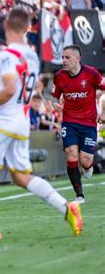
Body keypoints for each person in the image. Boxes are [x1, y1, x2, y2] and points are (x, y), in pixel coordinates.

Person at [0, 8, 82, 240]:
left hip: (3, 120)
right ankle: (68, 208)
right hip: (21, 119)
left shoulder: (6, 53)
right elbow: (19, 84)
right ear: (27, 28)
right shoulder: (32, 55)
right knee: (20, 177)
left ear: (7, 26)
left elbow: (9, 89)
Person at [52, 45, 105, 204]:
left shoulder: (91, 74)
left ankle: (88, 168)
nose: (63, 60)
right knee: (71, 154)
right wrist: (55, 104)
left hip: (89, 124)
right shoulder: (59, 76)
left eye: (67, 57)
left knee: (85, 161)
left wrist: (103, 112)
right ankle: (79, 195)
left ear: (77, 59)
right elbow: (55, 97)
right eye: (62, 57)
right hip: (69, 122)